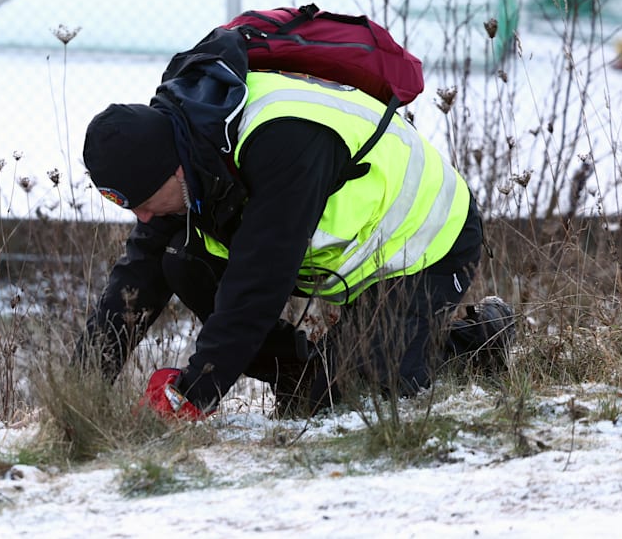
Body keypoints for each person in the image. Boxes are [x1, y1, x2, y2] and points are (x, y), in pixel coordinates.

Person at [77, 68, 515, 420]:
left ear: (174, 171)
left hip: (427, 240)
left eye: (147, 203)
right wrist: (83, 386)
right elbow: (137, 279)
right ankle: (301, 378)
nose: (144, 218)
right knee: (180, 255)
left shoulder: (279, 143)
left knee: (363, 397)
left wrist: (193, 393)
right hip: (355, 252)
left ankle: (481, 339)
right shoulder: (185, 146)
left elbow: (258, 284)